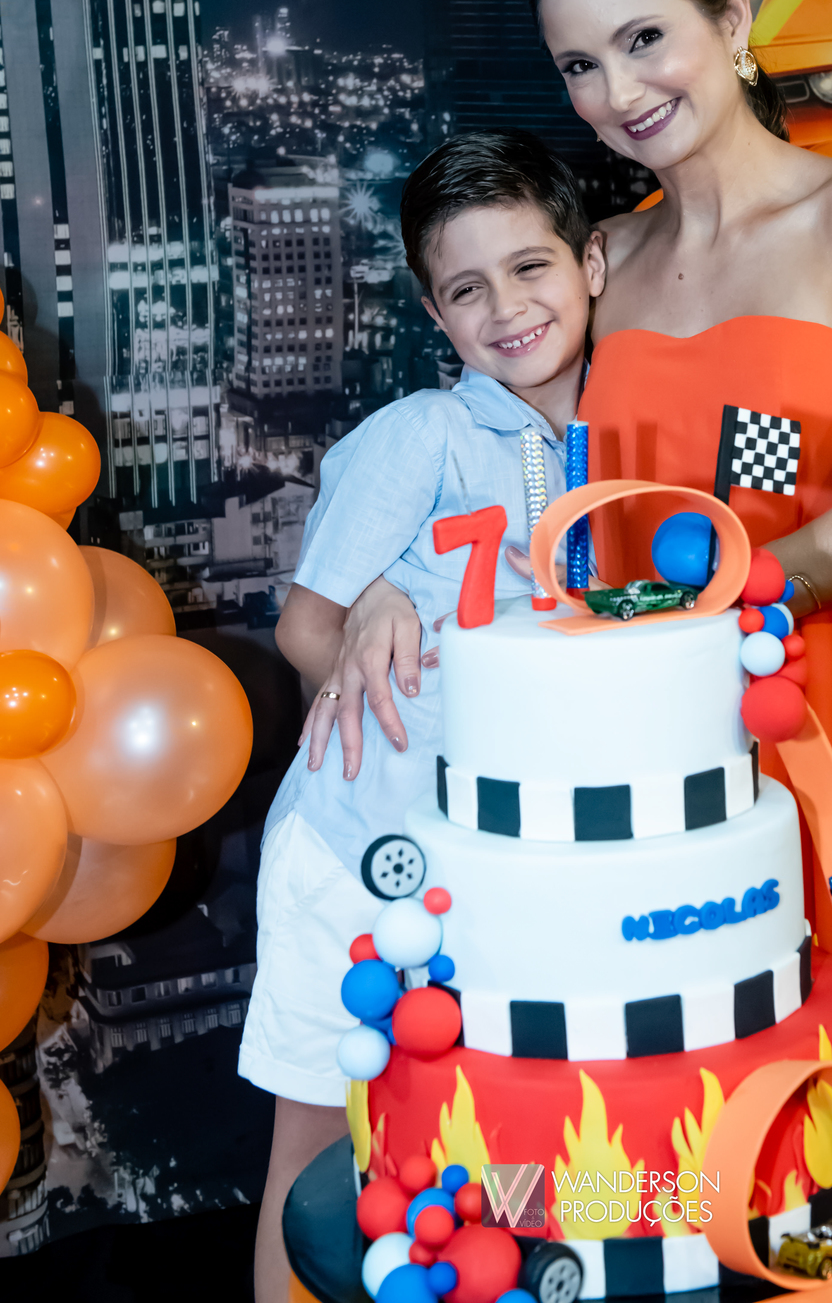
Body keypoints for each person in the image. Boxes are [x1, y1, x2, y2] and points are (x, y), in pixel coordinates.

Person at [312, 0, 832, 1303]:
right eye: (579, 64)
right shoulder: (612, 261)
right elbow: (526, 499)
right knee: (690, 1146)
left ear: (733, 17)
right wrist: (380, 598)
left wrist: (683, 616)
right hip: (653, 777)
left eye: (643, 39)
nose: (617, 93)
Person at [240, 130, 604, 1303]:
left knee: (478, 1159)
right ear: (434, 311)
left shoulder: (616, 439)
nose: (508, 307)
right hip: (358, 851)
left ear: (592, 263)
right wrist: (369, 609)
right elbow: (306, 627)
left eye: (531, 266)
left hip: (490, 873)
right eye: (467, 287)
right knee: (320, 1159)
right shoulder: (421, 435)